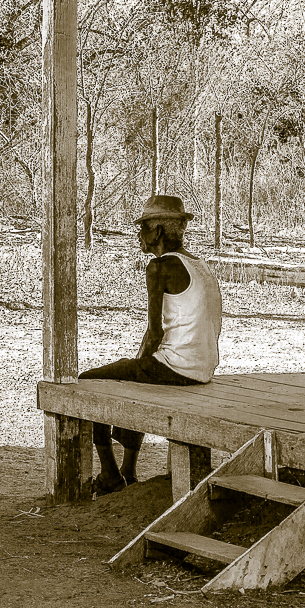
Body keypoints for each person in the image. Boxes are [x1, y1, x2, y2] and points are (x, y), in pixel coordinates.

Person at [80, 194, 223, 496]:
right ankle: (129, 470)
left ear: (157, 232)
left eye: (143, 229)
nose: (140, 236)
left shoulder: (160, 267)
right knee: (136, 374)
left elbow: (154, 332)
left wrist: (139, 363)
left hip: (177, 367)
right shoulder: (201, 265)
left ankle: (109, 475)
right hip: (203, 368)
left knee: (88, 381)